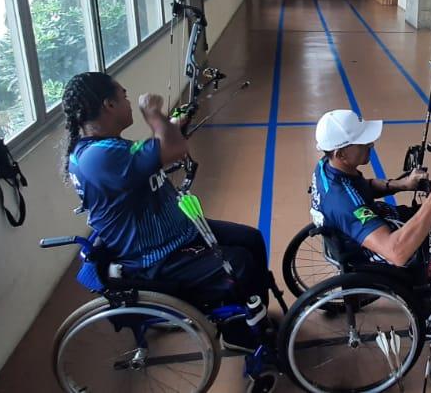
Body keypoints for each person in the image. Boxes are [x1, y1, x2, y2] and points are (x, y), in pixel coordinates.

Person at [61, 72, 275, 358]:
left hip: (177, 231)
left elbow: (156, 150)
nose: (128, 102)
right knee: (241, 264)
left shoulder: (107, 147)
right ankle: (242, 334)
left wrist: (172, 124)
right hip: (155, 255)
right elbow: (171, 148)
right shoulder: (99, 157)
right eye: (123, 96)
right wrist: (154, 114)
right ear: (108, 105)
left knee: (250, 238)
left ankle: (254, 313)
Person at [309, 109, 431, 381]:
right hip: (369, 252)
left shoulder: (330, 167)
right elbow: (396, 252)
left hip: (363, 227)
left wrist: (401, 184)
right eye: (363, 142)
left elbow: (364, 186)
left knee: (416, 215)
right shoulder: (342, 201)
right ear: (341, 153)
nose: (371, 143)